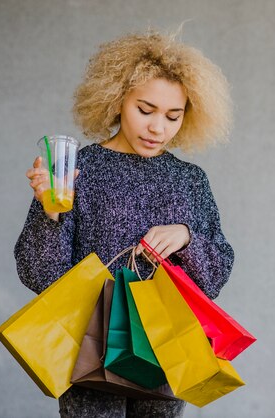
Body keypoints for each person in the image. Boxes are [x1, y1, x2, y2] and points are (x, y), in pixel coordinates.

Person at [14, 29, 235, 418]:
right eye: (145, 110)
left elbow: (215, 275)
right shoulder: (79, 170)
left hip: (163, 345)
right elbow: (41, 278)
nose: (158, 128)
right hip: (90, 343)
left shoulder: (190, 179)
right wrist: (50, 212)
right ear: (117, 100)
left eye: (173, 115)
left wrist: (187, 238)